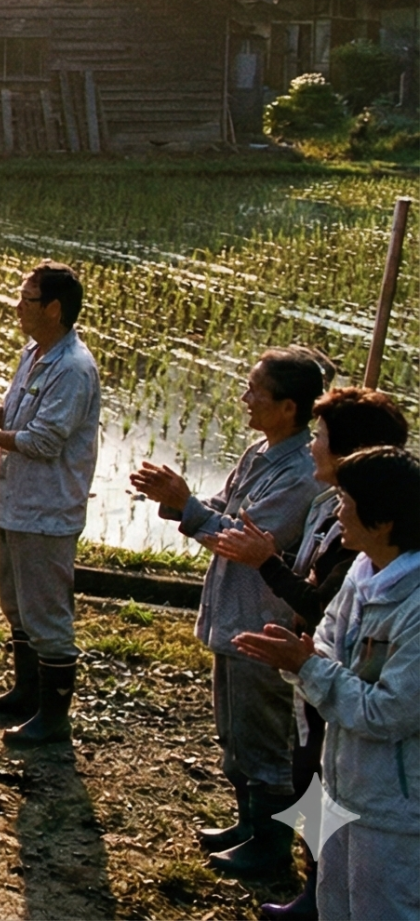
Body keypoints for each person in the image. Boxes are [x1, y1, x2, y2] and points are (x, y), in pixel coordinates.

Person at [209, 387, 410, 919]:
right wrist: (306, 657)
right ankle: (318, 885)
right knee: (313, 785)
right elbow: (327, 618)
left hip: (381, 778)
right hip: (328, 708)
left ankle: (315, 882)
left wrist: (270, 570)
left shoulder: (386, 571)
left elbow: (316, 601)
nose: (312, 445)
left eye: (320, 436)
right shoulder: (356, 543)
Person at [131, 347, 328, 871]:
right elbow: (221, 509)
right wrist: (180, 500)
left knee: (264, 739)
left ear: (288, 407)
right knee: (234, 731)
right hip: (231, 615)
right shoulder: (260, 454)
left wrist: (190, 507)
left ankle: (270, 847)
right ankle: (248, 824)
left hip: (261, 619)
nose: (244, 399)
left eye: (255, 391)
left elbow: (244, 537)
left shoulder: (302, 474)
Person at [0, 263, 103, 749]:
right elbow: (19, 413)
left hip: (47, 510)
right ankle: (25, 692)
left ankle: (52, 717)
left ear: (54, 310)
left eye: (27, 299)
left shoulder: (74, 369)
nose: (18, 306)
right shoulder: (34, 353)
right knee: (16, 604)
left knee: (46, 613)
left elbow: (45, 440)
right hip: (16, 502)